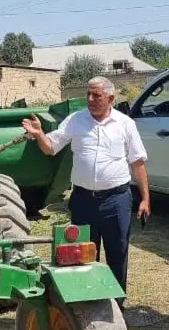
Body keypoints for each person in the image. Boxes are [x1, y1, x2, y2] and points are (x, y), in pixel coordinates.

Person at [21, 76, 150, 310]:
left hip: (117, 200)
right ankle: (88, 305)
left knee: (118, 254)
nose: (90, 100)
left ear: (111, 98)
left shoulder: (125, 124)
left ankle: (116, 306)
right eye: (88, 95)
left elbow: (138, 162)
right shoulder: (75, 121)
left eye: (96, 96)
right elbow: (51, 148)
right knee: (82, 255)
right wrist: (39, 133)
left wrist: (145, 199)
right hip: (83, 201)